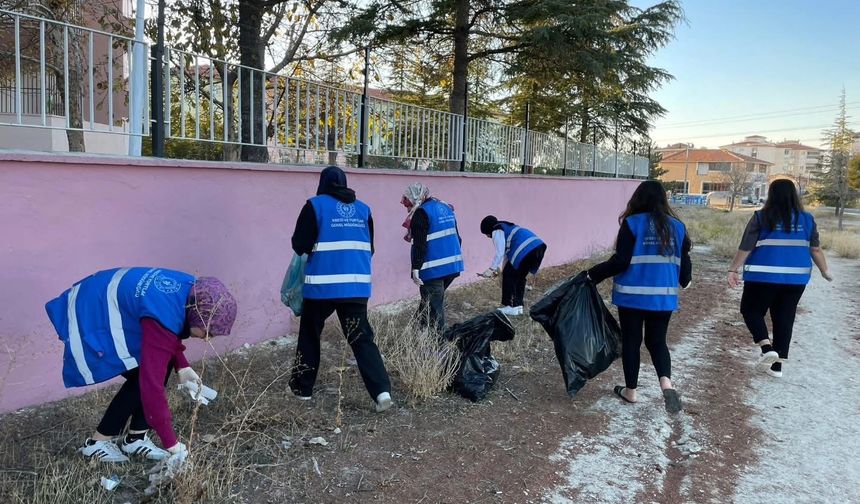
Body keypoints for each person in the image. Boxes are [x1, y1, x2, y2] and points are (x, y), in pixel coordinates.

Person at [45, 269, 238, 463]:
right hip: (91, 310)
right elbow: (151, 385)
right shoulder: (165, 312)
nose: (207, 339)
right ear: (197, 315)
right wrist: (171, 443)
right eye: (208, 332)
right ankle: (96, 444)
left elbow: (167, 335)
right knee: (142, 378)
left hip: (105, 296)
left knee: (157, 367)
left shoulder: (193, 293)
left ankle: (135, 438)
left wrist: (182, 366)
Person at [289, 166, 393, 412]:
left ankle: (302, 389)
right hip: (356, 287)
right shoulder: (364, 209)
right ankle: (381, 392)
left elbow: (299, 245)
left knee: (310, 334)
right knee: (362, 338)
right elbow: (371, 248)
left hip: (321, 288)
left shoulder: (315, 206)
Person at [586, 180, 691, 414]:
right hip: (662, 299)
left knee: (632, 342)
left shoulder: (632, 224)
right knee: (657, 342)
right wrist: (685, 279)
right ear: (664, 199)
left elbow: (621, 261)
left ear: (637, 199)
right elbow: (684, 264)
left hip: (632, 297)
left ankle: (631, 391)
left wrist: (592, 275)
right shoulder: (678, 227)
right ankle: (667, 384)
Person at [727, 179, 832, 378]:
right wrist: (825, 271)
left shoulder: (761, 217)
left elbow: (746, 246)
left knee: (751, 310)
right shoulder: (807, 219)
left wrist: (733, 269)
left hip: (762, 275)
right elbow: (815, 249)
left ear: (771, 195)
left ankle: (767, 349)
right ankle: (777, 367)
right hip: (796, 278)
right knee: (784, 316)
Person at [401, 182, 464, 333]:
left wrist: (416, 268)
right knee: (429, 301)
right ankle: (417, 330)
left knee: (435, 308)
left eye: (407, 200)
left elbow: (420, 245)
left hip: (433, 269)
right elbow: (458, 238)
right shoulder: (445, 207)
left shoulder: (421, 213)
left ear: (415, 197)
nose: (405, 204)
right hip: (452, 267)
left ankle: (441, 343)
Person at [478, 216, 546, 316]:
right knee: (519, 277)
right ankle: (518, 307)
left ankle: (509, 306)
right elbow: (506, 257)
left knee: (509, 276)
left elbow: (500, 252)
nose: (488, 236)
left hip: (525, 249)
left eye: (486, 234)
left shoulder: (497, 230)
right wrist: (500, 270)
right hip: (537, 247)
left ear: (488, 229)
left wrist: (491, 269)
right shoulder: (507, 228)